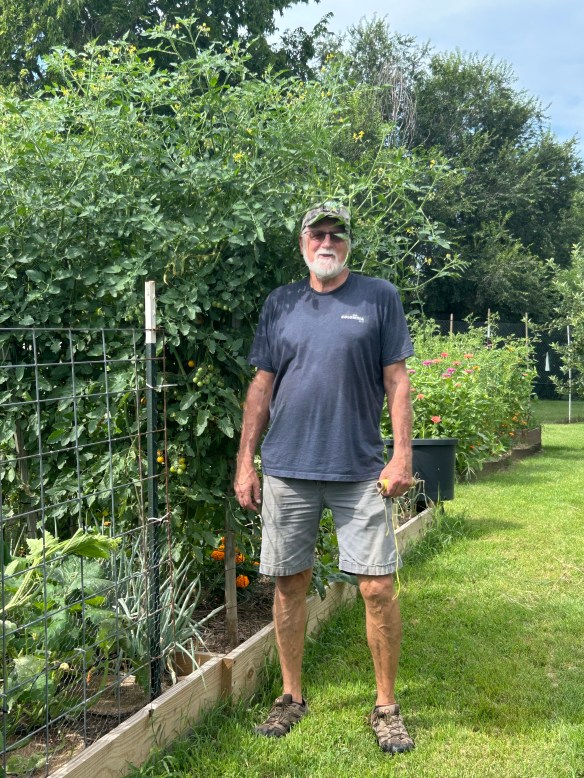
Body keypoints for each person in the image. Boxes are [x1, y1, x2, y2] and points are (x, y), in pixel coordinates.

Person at [234, 202, 415, 754]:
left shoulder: (377, 296)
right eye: (318, 233)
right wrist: (246, 460)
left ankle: (386, 707)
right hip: (288, 467)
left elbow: (398, 380)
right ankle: (291, 697)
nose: (327, 241)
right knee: (290, 585)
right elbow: (261, 387)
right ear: (302, 242)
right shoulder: (281, 303)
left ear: (348, 245)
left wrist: (402, 454)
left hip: (360, 468)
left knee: (377, 586)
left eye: (337, 234)